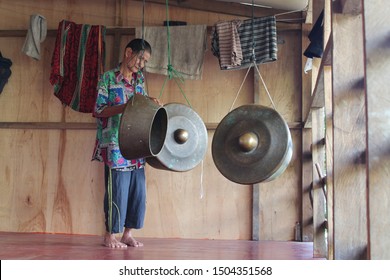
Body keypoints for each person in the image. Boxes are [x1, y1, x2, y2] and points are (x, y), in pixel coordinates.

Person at [92, 38, 161, 248]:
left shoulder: (139, 81)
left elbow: (138, 107)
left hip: (137, 143)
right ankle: (109, 236)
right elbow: (98, 110)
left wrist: (150, 103)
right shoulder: (108, 78)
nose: (142, 64)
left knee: (137, 191)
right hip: (114, 144)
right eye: (141, 58)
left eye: (145, 61)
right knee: (117, 190)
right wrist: (125, 107)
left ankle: (127, 234)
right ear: (128, 52)